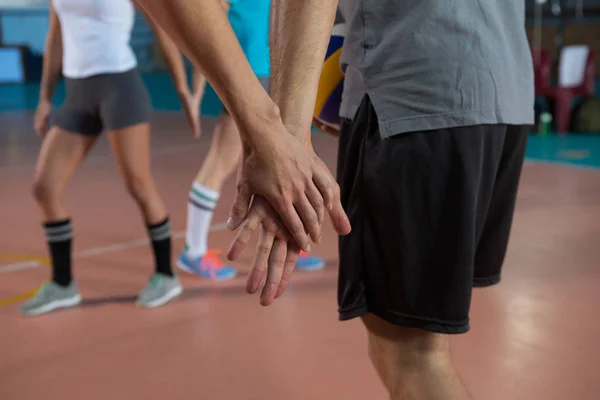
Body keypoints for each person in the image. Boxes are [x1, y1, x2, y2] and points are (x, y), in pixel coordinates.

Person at [139, 0, 534, 399]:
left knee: (411, 354)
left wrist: (280, 138)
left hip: (414, 91)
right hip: (502, 83)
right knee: (425, 340)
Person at [20, 0, 202, 316]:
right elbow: (56, 34)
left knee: (139, 184)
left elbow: (162, 29)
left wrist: (183, 90)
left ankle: (165, 275)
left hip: (120, 88)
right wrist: (45, 99)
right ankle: (63, 285)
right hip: (77, 93)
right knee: (45, 187)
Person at [177, 0, 325, 280]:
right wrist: (196, 91)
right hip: (246, 75)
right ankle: (193, 251)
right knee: (223, 159)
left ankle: (284, 243)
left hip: (273, 70)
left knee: (284, 161)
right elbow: (207, 27)